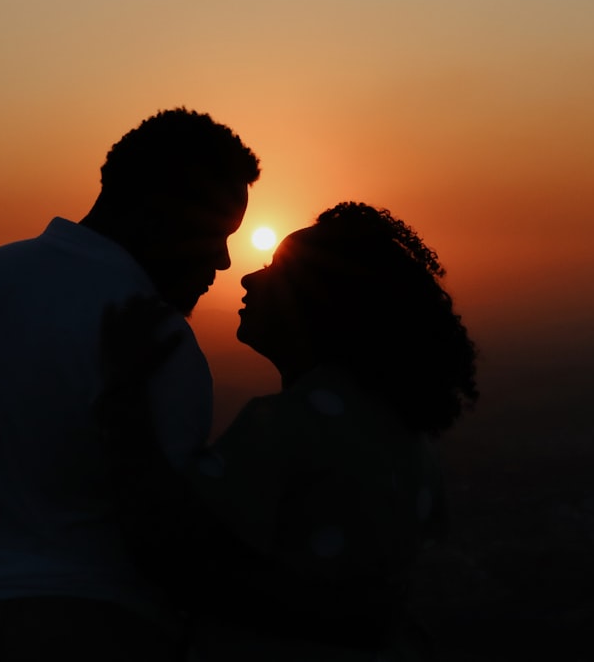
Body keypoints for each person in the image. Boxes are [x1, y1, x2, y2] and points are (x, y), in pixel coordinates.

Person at [0, 107, 261, 661]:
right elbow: (161, 534)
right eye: (211, 233)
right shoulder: (151, 333)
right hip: (107, 626)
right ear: (154, 210)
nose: (222, 260)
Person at [97, 201, 479, 661]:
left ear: (318, 302)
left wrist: (125, 397)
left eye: (274, 270)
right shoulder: (404, 435)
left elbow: (172, 548)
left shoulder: (288, 427)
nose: (246, 278)